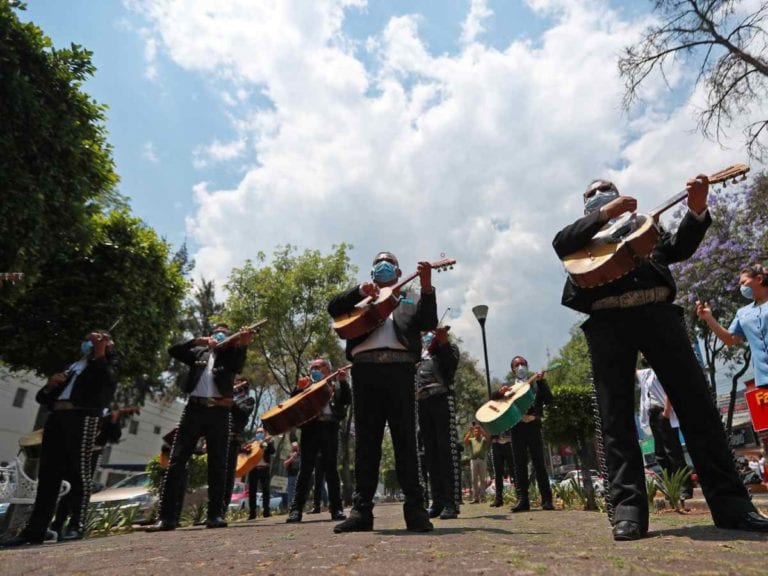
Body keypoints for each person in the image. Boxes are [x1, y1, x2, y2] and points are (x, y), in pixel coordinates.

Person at [552, 175, 768, 540]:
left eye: (605, 189)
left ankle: (733, 506)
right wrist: (604, 214)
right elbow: (560, 243)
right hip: (607, 322)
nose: (599, 194)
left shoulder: (644, 227)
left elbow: (678, 248)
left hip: (657, 314)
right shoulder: (582, 239)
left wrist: (697, 209)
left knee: (697, 406)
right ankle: (628, 512)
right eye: (591, 193)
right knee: (615, 417)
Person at [327, 252, 437, 533]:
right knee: (366, 443)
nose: (384, 265)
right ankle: (361, 512)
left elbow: (428, 322)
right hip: (365, 371)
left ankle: (416, 511)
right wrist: (358, 291)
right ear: (372, 271)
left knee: (405, 441)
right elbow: (333, 308)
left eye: (389, 262)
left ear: (399, 273)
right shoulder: (360, 299)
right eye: (379, 262)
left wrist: (426, 286)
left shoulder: (410, 297)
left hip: (401, 371)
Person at [2, 330, 118, 546]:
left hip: (82, 417)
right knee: (48, 475)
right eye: (89, 338)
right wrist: (50, 385)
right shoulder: (74, 366)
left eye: (98, 338)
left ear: (108, 344)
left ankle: (76, 525)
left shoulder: (108, 364)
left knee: (78, 473)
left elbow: (106, 383)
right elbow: (42, 398)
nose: (91, 341)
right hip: (57, 416)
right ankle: (35, 530)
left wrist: (101, 352)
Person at [148, 323, 252, 532]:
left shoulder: (231, 353)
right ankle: (166, 517)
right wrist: (197, 341)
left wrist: (242, 343)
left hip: (220, 411)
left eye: (224, 332)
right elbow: (174, 350)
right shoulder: (199, 352)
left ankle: (215, 515)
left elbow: (238, 367)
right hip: (194, 409)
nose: (219, 334)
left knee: (218, 463)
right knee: (177, 461)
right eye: (216, 332)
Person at [286, 358, 351, 522]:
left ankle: (336, 509)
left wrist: (343, 382)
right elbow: (292, 404)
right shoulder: (305, 386)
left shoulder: (335, 384)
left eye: (318, 367)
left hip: (330, 427)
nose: (314, 370)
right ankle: (296, 510)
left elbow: (346, 401)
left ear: (327, 369)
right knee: (305, 469)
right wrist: (298, 389)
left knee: (331, 469)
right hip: (310, 429)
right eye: (312, 368)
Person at [51, 405, 126, 539]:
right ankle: (56, 526)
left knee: (82, 489)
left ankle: (75, 525)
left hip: (92, 454)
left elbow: (115, 437)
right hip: (73, 452)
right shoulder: (81, 409)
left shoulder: (108, 413)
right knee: (66, 489)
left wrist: (114, 422)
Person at [697, 264, 768, 388]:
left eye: (743, 282)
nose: (741, 287)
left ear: (759, 279)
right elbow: (730, 339)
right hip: (764, 378)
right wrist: (709, 318)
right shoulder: (743, 313)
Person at [416, 326, 461, 519]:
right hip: (422, 402)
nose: (427, 337)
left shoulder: (448, 348)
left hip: (442, 399)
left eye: (430, 334)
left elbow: (450, 366)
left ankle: (451, 502)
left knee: (446, 451)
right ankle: (437, 502)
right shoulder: (417, 355)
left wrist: (442, 342)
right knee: (430, 454)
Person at [503, 356, 554, 512]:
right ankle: (523, 501)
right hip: (517, 428)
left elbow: (549, 400)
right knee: (519, 465)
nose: (520, 366)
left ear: (527, 365)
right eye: (517, 365)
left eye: (523, 364)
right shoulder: (510, 389)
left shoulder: (536, 384)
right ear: (512, 369)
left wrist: (541, 382)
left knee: (539, 463)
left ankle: (547, 500)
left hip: (533, 426)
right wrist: (501, 394)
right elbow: (501, 408)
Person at [637, 359, 694, 500]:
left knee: (673, 452)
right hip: (651, 414)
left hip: (664, 413)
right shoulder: (646, 374)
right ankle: (672, 487)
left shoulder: (662, 370)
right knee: (660, 454)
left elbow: (670, 389)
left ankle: (685, 488)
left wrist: (667, 412)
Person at [224, 377, 256, 512]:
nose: (235, 385)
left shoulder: (248, 400)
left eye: (238, 383)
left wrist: (230, 401)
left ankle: (221, 509)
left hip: (232, 439)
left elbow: (242, 413)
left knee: (228, 474)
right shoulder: (225, 396)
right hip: (219, 436)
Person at [487, 389, 515, 508]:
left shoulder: (509, 405)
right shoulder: (494, 407)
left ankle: (520, 496)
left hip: (508, 442)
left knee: (514, 470)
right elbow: (492, 397)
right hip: (497, 443)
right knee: (498, 473)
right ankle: (499, 499)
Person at [248, 427, 276, 519]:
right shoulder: (252, 442)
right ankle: (252, 513)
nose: (259, 433)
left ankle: (266, 512)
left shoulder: (269, 441)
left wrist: (267, 444)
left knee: (266, 491)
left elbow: (272, 451)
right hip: (253, 469)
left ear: (264, 433)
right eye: (257, 432)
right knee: (252, 491)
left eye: (261, 432)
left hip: (264, 469)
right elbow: (246, 452)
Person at [463, 422, 490, 504]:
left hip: (482, 460)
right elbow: (465, 441)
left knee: (482, 479)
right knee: (474, 480)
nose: (476, 432)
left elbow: (488, 438)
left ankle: (483, 497)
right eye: (475, 431)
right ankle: (475, 498)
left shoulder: (483, 439)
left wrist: (482, 430)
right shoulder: (472, 439)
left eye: (478, 431)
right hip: (473, 460)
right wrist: (470, 432)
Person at [283, 442, 301, 509]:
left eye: (296, 446)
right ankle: (290, 506)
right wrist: (292, 458)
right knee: (291, 491)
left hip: (300, 476)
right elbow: (285, 464)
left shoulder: (302, 455)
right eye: (293, 447)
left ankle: (299, 506)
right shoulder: (289, 455)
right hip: (291, 475)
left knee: (299, 491)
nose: (295, 448)